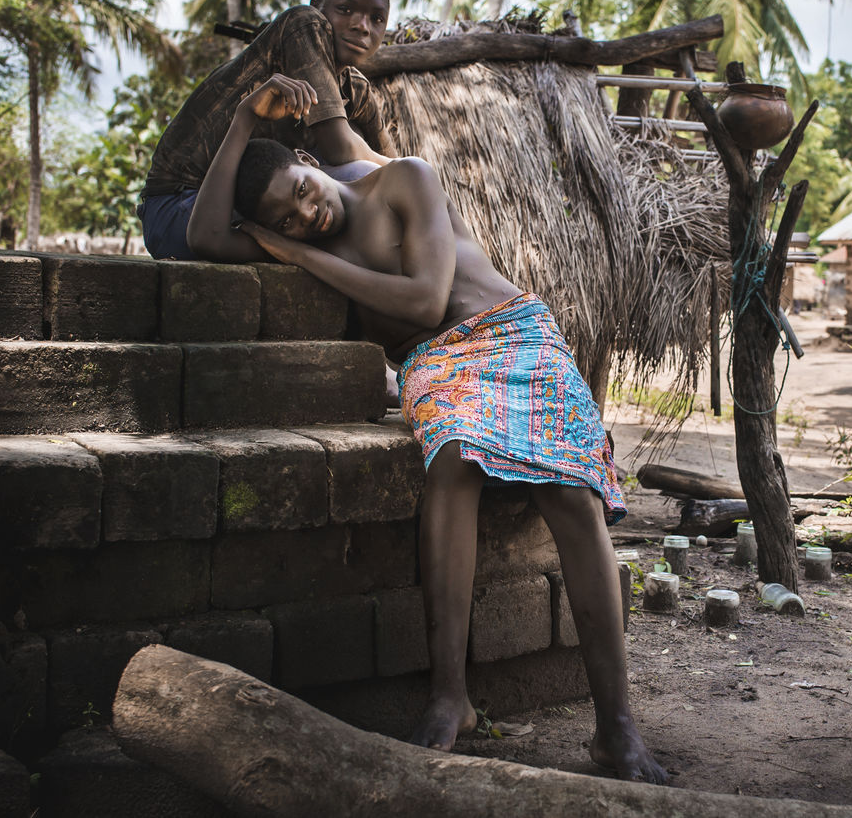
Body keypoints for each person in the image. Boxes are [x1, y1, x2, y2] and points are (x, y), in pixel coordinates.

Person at [199, 72, 668, 784]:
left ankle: (617, 729)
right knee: (452, 455)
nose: (305, 214)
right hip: (439, 363)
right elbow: (204, 236)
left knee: (571, 492)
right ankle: (451, 698)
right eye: (285, 221)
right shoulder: (300, 232)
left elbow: (424, 299)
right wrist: (241, 119)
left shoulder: (403, 180)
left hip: (516, 333)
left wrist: (299, 255)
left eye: (302, 191)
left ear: (310, 162)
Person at [138, 0, 395, 262]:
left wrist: (406, 176)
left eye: (377, 18)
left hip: (262, 211)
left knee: (359, 181)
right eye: (345, 9)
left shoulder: (356, 88)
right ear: (317, 6)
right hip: (181, 207)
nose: (362, 26)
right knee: (354, 191)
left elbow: (392, 162)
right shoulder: (304, 24)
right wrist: (410, 173)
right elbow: (340, 148)